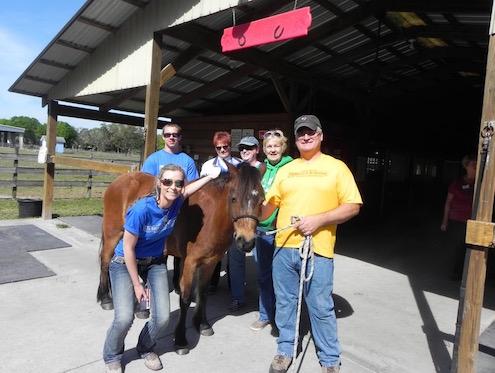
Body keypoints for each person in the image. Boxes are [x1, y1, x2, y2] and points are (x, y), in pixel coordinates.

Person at [262, 115, 362, 373]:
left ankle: (329, 358)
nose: (305, 137)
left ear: (320, 135)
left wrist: (319, 220)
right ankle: (285, 350)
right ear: (294, 140)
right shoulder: (285, 170)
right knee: (284, 302)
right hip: (283, 248)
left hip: (318, 250)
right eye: (300, 134)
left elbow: (352, 206)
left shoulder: (336, 167)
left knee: (320, 306)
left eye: (310, 132)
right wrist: (247, 204)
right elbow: (268, 208)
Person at [103, 164, 220, 373]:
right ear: (159, 183)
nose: (173, 187)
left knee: (163, 318)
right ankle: (112, 354)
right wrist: (137, 283)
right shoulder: (141, 210)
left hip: (155, 262)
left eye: (178, 183)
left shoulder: (177, 202)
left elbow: (190, 189)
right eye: (167, 182)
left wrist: (209, 176)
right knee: (124, 318)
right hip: (124, 262)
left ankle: (145, 347)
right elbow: (128, 249)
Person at [141, 122, 199, 294]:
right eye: (167, 135)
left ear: (180, 137)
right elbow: (145, 185)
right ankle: (152, 286)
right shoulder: (154, 159)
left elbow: (191, 186)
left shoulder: (186, 161)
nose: (171, 137)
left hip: (180, 212)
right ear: (163, 137)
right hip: (158, 212)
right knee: (159, 249)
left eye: (175, 134)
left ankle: (177, 283)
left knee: (180, 248)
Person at [250, 130, 292, 331]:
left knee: (283, 278)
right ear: (263, 149)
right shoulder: (261, 169)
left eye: (276, 145)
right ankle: (265, 314)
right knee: (264, 275)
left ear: (283, 147)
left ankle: (284, 322)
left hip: (283, 231)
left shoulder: (292, 167)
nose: (273, 149)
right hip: (262, 230)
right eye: (269, 146)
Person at [200, 131, 242, 294]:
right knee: (214, 251)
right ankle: (212, 282)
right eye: (219, 147)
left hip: (234, 214)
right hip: (215, 215)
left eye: (225, 146)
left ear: (230, 146)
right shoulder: (208, 166)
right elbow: (202, 191)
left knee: (234, 254)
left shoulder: (239, 165)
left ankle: (234, 286)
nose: (223, 150)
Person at [228, 135, 262, 311]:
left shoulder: (263, 170)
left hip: (259, 223)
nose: (245, 151)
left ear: (257, 149)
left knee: (260, 262)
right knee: (235, 260)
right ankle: (237, 296)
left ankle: (264, 302)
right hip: (240, 223)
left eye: (249, 148)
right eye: (242, 148)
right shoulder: (237, 171)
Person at [440, 154, 476, 280]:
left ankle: (470, 274)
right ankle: (456, 272)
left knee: (472, 248)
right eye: (473, 164)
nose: (476, 166)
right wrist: (444, 222)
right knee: (458, 247)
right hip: (457, 220)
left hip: (474, 221)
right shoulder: (457, 183)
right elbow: (448, 202)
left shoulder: (481, 183)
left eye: (477, 164)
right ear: (466, 166)